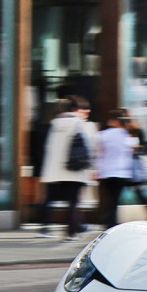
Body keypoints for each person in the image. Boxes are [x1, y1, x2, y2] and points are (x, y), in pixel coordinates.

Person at [36, 95, 99, 240]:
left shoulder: (54, 124)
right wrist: (92, 167)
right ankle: (71, 232)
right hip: (74, 169)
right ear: (74, 109)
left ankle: (45, 228)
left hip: (54, 170)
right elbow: (89, 146)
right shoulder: (80, 123)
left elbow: (48, 147)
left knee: (49, 199)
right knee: (73, 202)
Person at [95, 109, 137, 229]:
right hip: (122, 172)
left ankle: (109, 223)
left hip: (106, 172)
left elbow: (99, 153)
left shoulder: (102, 135)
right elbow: (132, 151)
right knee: (115, 201)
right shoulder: (127, 135)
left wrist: (97, 170)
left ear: (114, 120)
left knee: (108, 200)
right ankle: (111, 223)